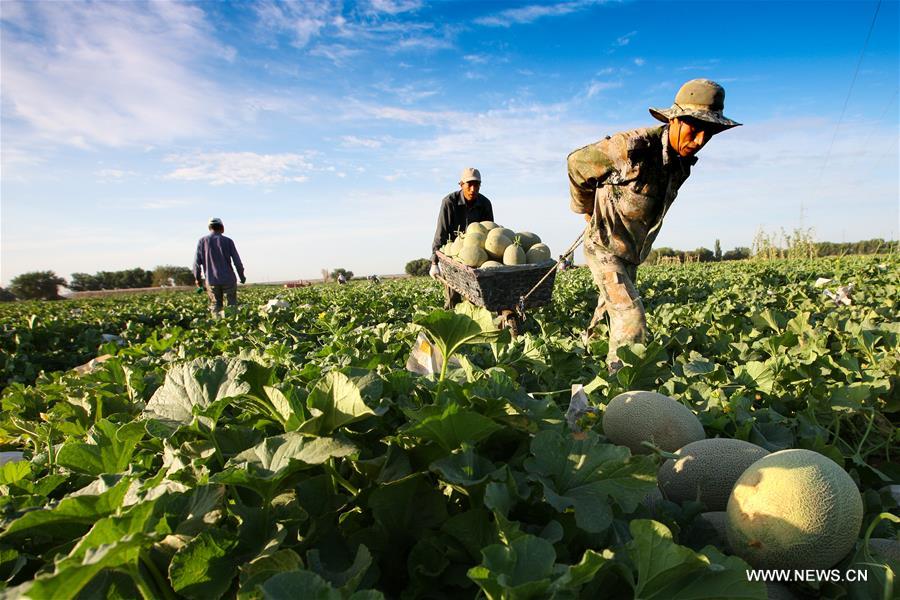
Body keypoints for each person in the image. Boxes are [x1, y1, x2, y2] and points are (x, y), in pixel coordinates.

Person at [568, 79, 740, 373]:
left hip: (632, 251)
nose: (699, 139)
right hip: (604, 246)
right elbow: (576, 163)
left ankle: (582, 358)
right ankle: (621, 394)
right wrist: (585, 209)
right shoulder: (632, 147)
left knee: (609, 310)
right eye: (694, 128)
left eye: (708, 133)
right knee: (630, 316)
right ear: (674, 120)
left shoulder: (682, 162)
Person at [430, 167, 494, 308]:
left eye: (476, 184)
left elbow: (491, 234)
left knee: (477, 299)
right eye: (469, 184)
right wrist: (434, 262)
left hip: (478, 258)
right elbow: (441, 232)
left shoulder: (485, 203)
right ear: (461, 184)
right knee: (453, 298)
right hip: (454, 257)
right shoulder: (449, 202)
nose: (472, 189)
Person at [193, 217, 245, 316]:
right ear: (222, 228)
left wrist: (198, 280)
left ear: (209, 228)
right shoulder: (228, 241)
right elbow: (237, 262)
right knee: (232, 305)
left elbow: (196, 264)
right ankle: (233, 327)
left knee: (215, 306)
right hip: (228, 279)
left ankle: (217, 328)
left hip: (212, 281)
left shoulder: (202, 241)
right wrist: (242, 277)